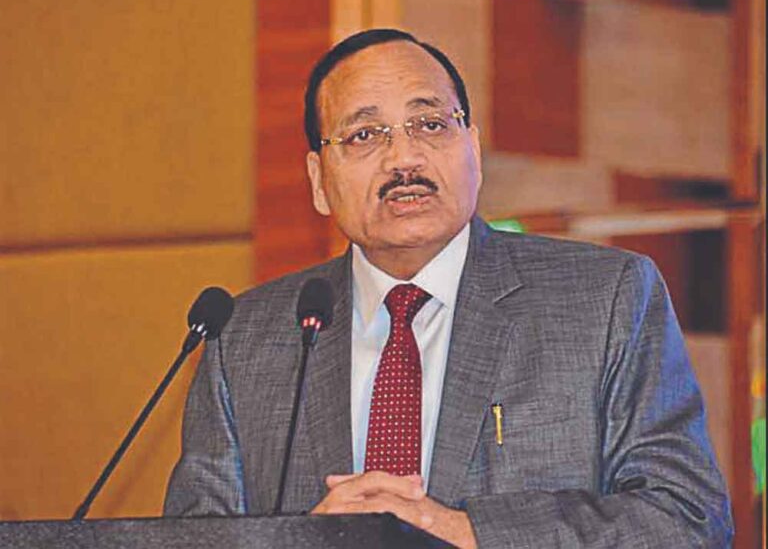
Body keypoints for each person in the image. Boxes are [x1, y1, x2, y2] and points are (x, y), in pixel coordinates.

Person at [164, 29, 733, 548]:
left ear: (473, 150)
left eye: (431, 124)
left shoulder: (603, 299)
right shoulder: (244, 339)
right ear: (318, 180)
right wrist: (304, 543)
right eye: (364, 135)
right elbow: (193, 539)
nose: (404, 158)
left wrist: (465, 533)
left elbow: (686, 517)